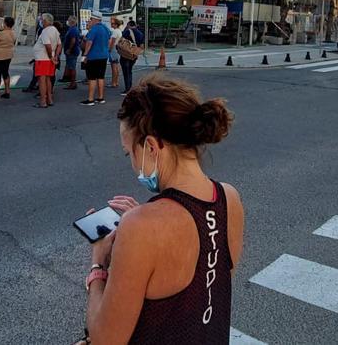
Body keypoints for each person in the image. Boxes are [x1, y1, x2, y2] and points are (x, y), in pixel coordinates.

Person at [81, 76, 244, 344]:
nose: (133, 164)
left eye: (129, 153)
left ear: (151, 147)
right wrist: (144, 220)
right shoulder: (229, 198)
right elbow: (207, 290)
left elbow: (104, 340)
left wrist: (98, 263)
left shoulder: (142, 227)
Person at [80, 12, 111, 106]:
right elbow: (109, 41)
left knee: (92, 78)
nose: (90, 20)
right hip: (104, 55)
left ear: (95, 19)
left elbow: (89, 43)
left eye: (91, 19)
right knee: (101, 77)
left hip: (93, 56)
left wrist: (85, 55)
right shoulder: (106, 28)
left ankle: (90, 99)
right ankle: (101, 97)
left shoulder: (93, 30)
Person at [33, 13, 61, 109]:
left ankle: (43, 101)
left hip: (43, 58)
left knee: (42, 80)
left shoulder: (45, 31)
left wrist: (50, 56)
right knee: (48, 79)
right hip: (50, 58)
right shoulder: (55, 30)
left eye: (41, 20)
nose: (40, 21)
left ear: (45, 21)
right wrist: (55, 56)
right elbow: (59, 44)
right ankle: (49, 99)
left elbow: (47, 45)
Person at [117, 20, 145, 93]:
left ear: (129, 25)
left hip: (125, 54)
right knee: (129, 71)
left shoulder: (127, 31)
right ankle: (130, 86)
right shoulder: (141, 34)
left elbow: (121, 41)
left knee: (126, 72)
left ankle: (127, 88)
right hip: (133, 55)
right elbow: (142, 46)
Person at [62, 16, 82, 90]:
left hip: (72, 51)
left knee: (72, 67)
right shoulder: (71, 29)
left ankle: (73, 83)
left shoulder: (73, 30)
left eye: (68, 20)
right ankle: (70, 81)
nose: (67, 21)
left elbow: (73, 41)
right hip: (71, 51)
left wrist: (69, 49)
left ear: (71, 22)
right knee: (70, 66)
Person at [108, 17, 124, 89]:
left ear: (116, 24)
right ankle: (116, 82)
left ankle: (113, 82)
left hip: (114, 49)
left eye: (113, 23)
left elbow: (112, 41)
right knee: (117, 67)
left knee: (113, 67)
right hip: (118, 49)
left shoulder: (115, 32)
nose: (111, 25)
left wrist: (109, 49)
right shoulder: (119, 31)